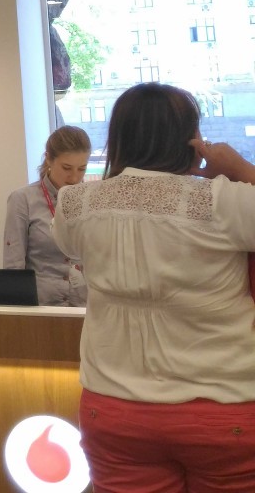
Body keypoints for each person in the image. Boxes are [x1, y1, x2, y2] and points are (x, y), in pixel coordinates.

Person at [54, 83, 255, 492]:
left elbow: (70, 247)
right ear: (191, 138)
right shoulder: (223, 201)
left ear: (118, 138)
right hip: (222, 407)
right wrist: (240, 168)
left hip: (113, 407)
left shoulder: (75, 204)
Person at [2, 125, 90, 306]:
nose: (74, 178)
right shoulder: (23, 199)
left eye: (82, 169)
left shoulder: (92, 200)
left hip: (86, 306)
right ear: (49, 159)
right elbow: (14, 266)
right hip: (41, 306)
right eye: (66, 168)